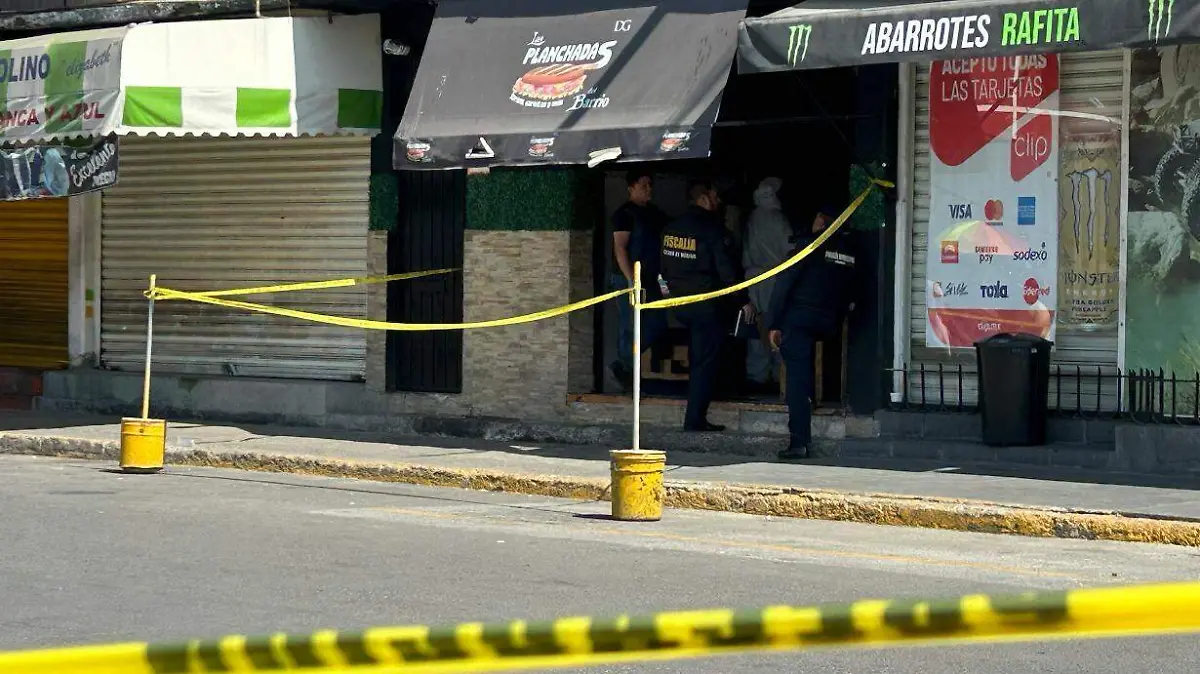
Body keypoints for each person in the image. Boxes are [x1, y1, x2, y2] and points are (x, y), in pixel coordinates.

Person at [659, 178, 757, 432]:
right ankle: (694, 419)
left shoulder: (671, 228)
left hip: (680, 304)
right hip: (707, 307)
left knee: (697, 359)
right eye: (714, 196)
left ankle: (696, 414)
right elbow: (726, 272)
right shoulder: (713, 229)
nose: (718, 201)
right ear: (702, 198)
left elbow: (663, 269)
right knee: (704, 363)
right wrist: (744, 300)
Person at [768, 206, 859, 460]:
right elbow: (852, 292)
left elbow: (782, 286)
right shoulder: (848, 253)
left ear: (821, 224)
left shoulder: (806, 247)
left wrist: (773, 324)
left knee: (796, 381)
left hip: (798, 321)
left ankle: (799, 442)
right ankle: (812, 399)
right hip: (828, 323)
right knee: (805, 374)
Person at [609, 170, 669, 391]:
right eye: (644, 185)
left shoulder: (655, 214)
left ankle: (626, 365)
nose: (648, 189)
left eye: (650, 185)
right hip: (628, 278)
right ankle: (625, 367)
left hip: (653, 278)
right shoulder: (624, 214)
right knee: (629, 324)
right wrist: (631, 281)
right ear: (631, 188)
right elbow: (620, 248)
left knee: (656, 323)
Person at [742, 177, 793, 390]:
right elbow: (790, 252)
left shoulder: (752, 219)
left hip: (754, 280)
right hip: (777, 280)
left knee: (756, 326)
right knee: (778, 326)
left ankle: (757, 375)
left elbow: (745, 253)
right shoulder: (780, 220)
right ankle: (778, 373)